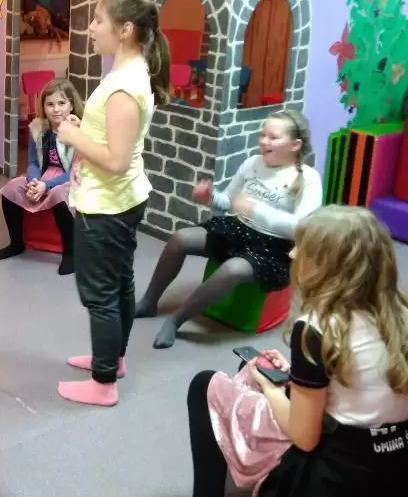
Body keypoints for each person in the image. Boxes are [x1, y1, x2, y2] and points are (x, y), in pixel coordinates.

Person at [186, 206, 408, 496]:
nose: (292, 253)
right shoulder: (400, 314)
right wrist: (297, 376)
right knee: (261, 375)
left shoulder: (318, 327)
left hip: (335, 475)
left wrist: (272, 388)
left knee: (206, 384)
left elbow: (305, 437)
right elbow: (362, 385)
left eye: (302, 247)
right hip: (394, 465)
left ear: (328, 264)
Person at [53, 0, 170, 406]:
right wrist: (83, 128)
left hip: (107, 206)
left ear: (125, 30)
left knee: (100, 293)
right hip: (119, 200)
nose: (91, 27)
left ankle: (103, 383)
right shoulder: (127, 75)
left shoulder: (124, 86)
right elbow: (113, 140)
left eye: (99, 20)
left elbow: (116, 160)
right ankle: (112, 359)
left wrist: (71, 135)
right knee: (119, 283)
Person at [135, 110, 323, 349]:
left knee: (233, 269)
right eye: (262, 135)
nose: (264, 141)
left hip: (274, 247)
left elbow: (301, 228)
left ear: (295, 145)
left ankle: (176, 320)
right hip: (239, 229)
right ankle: (149, 302)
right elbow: (228, 201)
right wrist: (211, 196)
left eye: (273, 137)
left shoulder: (309, 178)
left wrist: (255, 210)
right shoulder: (252, 163)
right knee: (180, 238)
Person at [0, 78, 84, 275]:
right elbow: (33, 162)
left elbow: (75, 170)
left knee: (59, 196)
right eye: (50, 104)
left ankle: (71, 254)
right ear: (43, 106)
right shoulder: (38, 130)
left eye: (61, 103)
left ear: (71, 105)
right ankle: (16, 243)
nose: (56, 109)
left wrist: (47, 186)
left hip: (71, 178)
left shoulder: (78, 131)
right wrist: (33, 180)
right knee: (10, 189)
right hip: (44, 176)